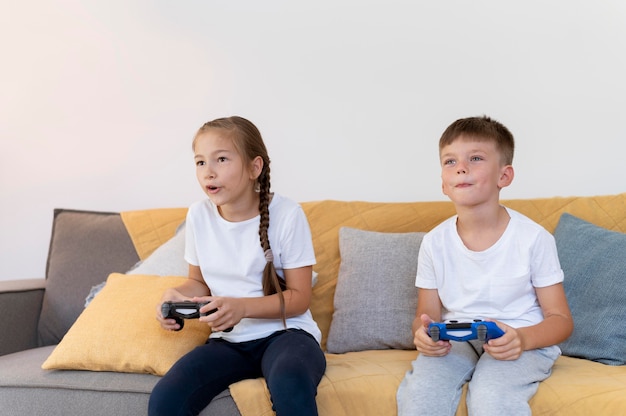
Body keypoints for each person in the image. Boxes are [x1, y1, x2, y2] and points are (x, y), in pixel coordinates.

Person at [149, 116, 326, 416]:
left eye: (221, 159)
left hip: (287, 335)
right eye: (201, 162)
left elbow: (300, 298)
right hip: (229, 341)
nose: (209, 172)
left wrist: (242, 307)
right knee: (166, 398)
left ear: (254, 168)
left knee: (289, 381)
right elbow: (199, 282)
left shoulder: (287, 214)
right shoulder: (198, 216)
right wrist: (176, 295)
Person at [396, 116, 573, 416]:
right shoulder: (434, 242)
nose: (461, 167)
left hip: (519, 337)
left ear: (504, 176)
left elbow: (561, 320)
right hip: (458, 340)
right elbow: (425, 317)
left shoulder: (533, 239)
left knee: (491, 398)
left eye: (475, 158)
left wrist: (523, 339)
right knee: (420, 395)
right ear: (443, 183)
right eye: (450, 161)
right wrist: (424, 335)